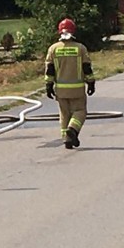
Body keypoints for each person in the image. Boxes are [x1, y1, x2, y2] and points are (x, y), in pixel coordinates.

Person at [44, 18, 96, 149]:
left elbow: (49, 70)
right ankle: (72, 130)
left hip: (61, 90)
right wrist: (91, 82)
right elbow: (86, 68)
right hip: (77, 89)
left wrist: (48, 85)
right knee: (80, 111)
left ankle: (66, 139)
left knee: (64, 114)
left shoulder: (53, 49)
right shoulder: (80, 48)